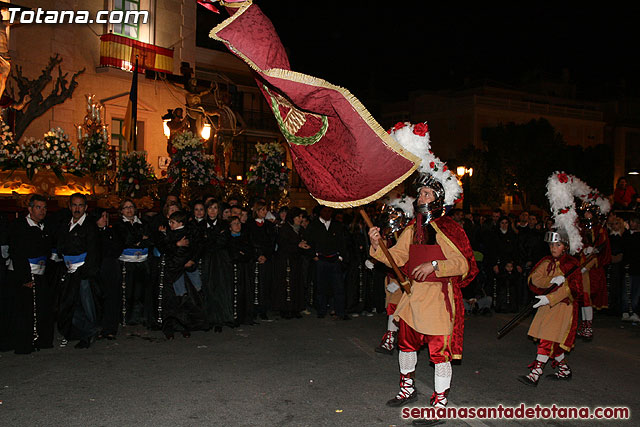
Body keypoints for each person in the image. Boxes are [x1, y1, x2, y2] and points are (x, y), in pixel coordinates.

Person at [368, 175, 477, 416]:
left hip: (439, 299)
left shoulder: (449, 228)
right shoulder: (411, 229)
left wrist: (435, 265)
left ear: (438, 199)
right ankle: (407, 388)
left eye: (427, 194)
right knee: (406, 346)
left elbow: (462, 264)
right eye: (420, 193)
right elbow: (396, 259)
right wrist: (377, 245)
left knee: (440, 353)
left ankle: (439, 401)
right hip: (414, 296)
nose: (421, 198)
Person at [518, 229, 582, 386]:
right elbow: (535, 279)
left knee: (547, 340)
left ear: (565, 246)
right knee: (553, 341)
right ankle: (564, 369)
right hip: (546, 306)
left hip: (562, 307)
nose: (554, 248)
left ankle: (535, 373)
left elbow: (573, 289)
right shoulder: (547, 261)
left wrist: (551, 297)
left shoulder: (571, 265)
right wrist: (552, 280)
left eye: (558, 244)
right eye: (552, 244)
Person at [6, 194, 54, 354]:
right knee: (23, 310)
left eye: (44, 208)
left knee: (42, 308)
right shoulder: (20, 226)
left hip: (40, 273)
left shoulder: (45, 226)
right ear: (30, 209)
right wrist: (25, 278)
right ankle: (24, 342)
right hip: (24, 273)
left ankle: (40, 339)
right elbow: (17, 253)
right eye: (38, 207)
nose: (42, 211)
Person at [56, 193, 101, 349]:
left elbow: (94, 251)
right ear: (69, 206)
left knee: (86, 303)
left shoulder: (90, 226)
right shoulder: (64, 224)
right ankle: (86, 331)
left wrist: (86, 272)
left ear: (86, 207)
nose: (77, 208)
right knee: (71, 303)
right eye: (74, 205)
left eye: (80, 205)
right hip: (68, 270)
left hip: (83, 271)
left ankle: (90, 332)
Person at [305, 205, 350, 320]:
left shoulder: (337, 225)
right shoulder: (314, 225)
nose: (327, 213)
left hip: (334, 260)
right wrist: (313, 256)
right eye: (325, 211)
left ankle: (340, 311)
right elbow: (308, 241)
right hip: (320, 260)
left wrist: (341, 257)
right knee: (321, 287)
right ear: (320, 212)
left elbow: (343, 243)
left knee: (338, 287)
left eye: (330, 211)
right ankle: (321, 310)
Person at [113, 199, 151, 326]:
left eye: (131, 207)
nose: (129, 209)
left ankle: (139, 317)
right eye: (126, 207)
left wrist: (138, 240)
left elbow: (149, 239)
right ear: (121, 211)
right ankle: (125, 317)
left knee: (141, 290)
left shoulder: (143, 223)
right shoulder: (119, 225)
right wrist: (140, 238)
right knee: (127, 291)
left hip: (142, 262)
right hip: (126, 263)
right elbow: (126, 239)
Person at [576, 208, 611, 340]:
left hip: (592, 268)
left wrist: (594, 250)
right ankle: (584, 324)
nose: (587, 214)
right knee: (583, 298)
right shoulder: (582, 228)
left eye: (589, 212)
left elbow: (602, 247)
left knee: (587, 298)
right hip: (583, 263)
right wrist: (583, 249)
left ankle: (588, 326)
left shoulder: (599, 230)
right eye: (585, 212)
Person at [272, 207, 312, 319]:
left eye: (301, 217)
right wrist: (297, 245)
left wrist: (303, 244)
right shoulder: (284, 229)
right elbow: (283, 244)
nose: (300, 219)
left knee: (296, 284)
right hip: (285, 261)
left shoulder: (299, 229)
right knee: (285, 285)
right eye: (298, 217)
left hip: (296, 261)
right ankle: (285, 308)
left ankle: (295, 308)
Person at [201, 199, 233, 332]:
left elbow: (222, 242)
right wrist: (212, 238)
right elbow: (202, 243)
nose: (212, 211)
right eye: (210, 208)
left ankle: (219, 319)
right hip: (207, 260)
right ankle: (209, 319)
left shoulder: (224, 225)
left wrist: (209, 238)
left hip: (220, 261)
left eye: (215, 208)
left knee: (220, 288)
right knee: (207, 288)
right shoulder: (201, 225)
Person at [94, 208, 123, 340]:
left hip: (110, 267)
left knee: (112, 298)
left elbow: (117, 248)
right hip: (96, 268)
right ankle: (98, 327)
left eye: (106, 216)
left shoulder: (112, 232)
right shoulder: (92, 232)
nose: (105, 219)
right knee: (98, 299)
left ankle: (111, 328)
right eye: (102, 216)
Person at [247, 200, 276, 320]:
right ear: (256, 211)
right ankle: (253, 309)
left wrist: (265, 255)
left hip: (265, 259)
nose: (264, 212)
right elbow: (249, 242)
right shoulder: (249, 225)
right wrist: (256, 255)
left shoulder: (269, 226)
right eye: (262, 210)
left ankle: (263, 309)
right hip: (254, 259)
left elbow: (272, 243)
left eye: (265, 210)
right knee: (253, 284)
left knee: (265, 285)